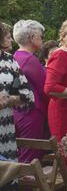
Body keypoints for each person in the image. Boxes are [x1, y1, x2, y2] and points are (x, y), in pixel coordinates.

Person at [12, 20, 49, 162]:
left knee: (20, 151)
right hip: (31, 113)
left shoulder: (15, 57)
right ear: (32, 38)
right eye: (41, 35)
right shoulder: (30, 60)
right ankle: (27, 183)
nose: (43, 39)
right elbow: (45, 89)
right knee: (30, 154)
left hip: (17, 111)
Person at [0, 21, 34, 161]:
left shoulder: (8, 60)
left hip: (4, 132)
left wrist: (9, 99)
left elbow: (28, 94)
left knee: (6, 178)